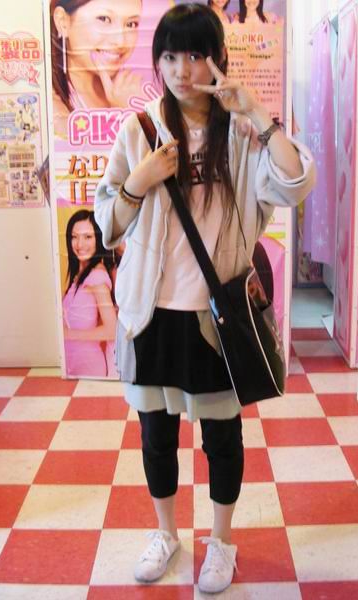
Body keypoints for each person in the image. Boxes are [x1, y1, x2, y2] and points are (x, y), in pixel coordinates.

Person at [94, 3, 315, 593]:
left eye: (195, 55)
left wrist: (258, 115)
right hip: (150, 315)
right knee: (156, 435)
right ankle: (166, 533)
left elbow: (295, 183)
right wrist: (137, 182)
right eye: (169, 56)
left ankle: (220, 542)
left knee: (220, 438)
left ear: (217, 59)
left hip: (215, 319)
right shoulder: (140, 131)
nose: (181, 70)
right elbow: (106, 223)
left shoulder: (241, 133)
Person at [50, 0, 143, 116]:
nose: (120, 41)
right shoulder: (53, 108)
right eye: (104, 19)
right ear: (63, 22)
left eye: (131, 24)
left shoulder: (130, 92)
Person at [63, 209, 117, 377]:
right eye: (74, 237)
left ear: (98, 240)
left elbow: (112, 330)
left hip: (87, 364)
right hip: (73, 362)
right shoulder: (79, 275)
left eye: (88, 237)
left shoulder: (97, 276)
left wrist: (69, 334)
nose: (80, 244)